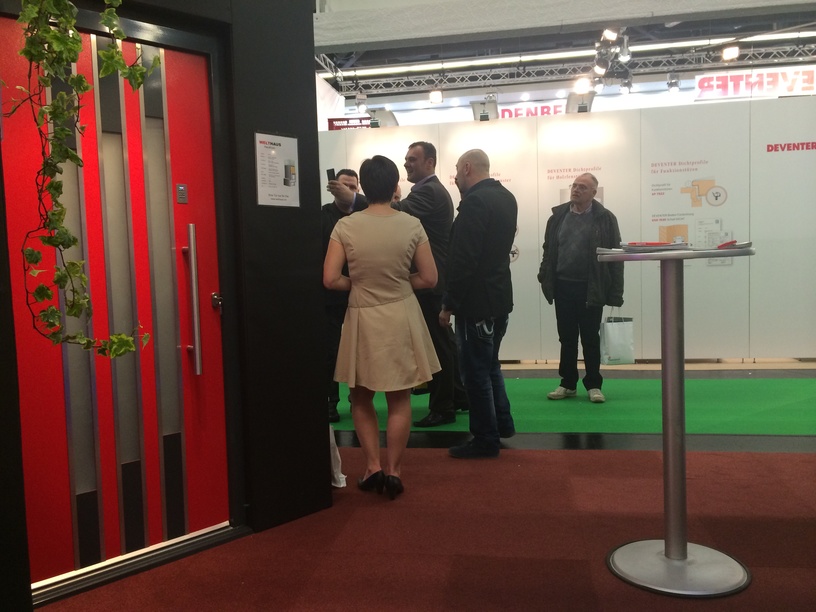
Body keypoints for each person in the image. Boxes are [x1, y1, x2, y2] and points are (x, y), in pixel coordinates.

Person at [324, 155, 440, 500]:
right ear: (394, 186)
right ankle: (394, 471)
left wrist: (359, 284)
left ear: (362, 185)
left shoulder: (345, 226)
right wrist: (400, 283)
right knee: (399, 397)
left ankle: (372, 466)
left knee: (360, 396)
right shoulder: (411, 224)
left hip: (362, 314)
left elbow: (330, 279)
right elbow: (429, 278)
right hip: (401, 313)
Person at [329, 141, 468, 428]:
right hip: (419, 286)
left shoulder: (428, 194)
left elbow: (393, 209)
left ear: (430, 162)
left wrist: (354, 199)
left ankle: (445, 405)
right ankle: (455, 396)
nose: (407, 163)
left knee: (439, 345)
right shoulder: (425, 195)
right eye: (405, 159)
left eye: (413, 159)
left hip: (424, 287)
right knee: (440, 344)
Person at [440, 149, 518, 459]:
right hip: (498, 298)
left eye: (456, 170)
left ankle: (486, 439)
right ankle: (502, 424)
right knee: (490, 366)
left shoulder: (475, 202)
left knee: (475, 372)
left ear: (467, 168)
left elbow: (464, 259)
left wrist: (448, 304)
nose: (455, 177)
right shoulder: (506, 197)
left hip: (476, 303)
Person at [537, 173, 623, 404]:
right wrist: (544, 275)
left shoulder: (605, 219)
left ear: (594, 193)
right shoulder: (557, 217)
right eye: (574, 185)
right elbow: (548, 250)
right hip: (563, 286)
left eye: (583, 187)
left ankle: (594, 385)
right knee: (566, 338)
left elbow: (616, 257)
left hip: (590, 288)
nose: (576, 189)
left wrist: (615, 293)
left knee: (590, 338)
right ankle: (567, 383)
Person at [321, 169, 364, 423]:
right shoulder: (323, 216)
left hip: (361, 295)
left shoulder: (364, 217)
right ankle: (330, 402)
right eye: (344, 185)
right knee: (331, 351)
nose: (348, 190)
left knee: (361, 350)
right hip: (331, 297)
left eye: (353, 187)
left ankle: (359, 398)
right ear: (334, 187)